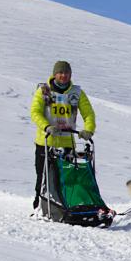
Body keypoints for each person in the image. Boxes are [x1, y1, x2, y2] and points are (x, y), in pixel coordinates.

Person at [30, 60, 96, 211]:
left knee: (67, 178)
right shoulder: (44, 90)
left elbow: (89, 113)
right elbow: (35, 112)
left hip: (67, 141)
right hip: (45, 140)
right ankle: (39, 206)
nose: (63, 76)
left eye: (66, 73)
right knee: (42, 175)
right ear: (54, 74)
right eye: (60, 73)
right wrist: (46, 126)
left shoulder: (76, 92)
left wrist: (88, 130)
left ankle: (66, 207)